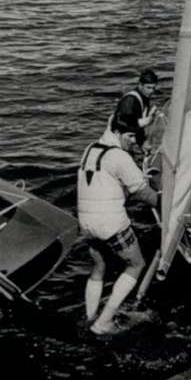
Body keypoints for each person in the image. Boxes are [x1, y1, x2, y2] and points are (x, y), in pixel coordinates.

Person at [76, 119, 159, 336]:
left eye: (136, 137)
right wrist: (169, 204)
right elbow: (143, 193)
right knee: (136, 264)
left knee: (99, 265)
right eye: (129, 136)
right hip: (109, 223)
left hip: (86, 223)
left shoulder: (91, 149)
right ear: (116, 132)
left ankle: (90, 316)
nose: (133, 142)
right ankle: (104, 322)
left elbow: (107, 183)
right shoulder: (119, 156)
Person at [108, 69, 161, 150]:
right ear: (140, 85)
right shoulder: (130, 100)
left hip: (128, 142)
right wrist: (144, 122)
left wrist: (142, 143)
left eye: (153, 88)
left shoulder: (144, 98)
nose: (151, 91)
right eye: (148, 88)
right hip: (115, 142)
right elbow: (120, 123)